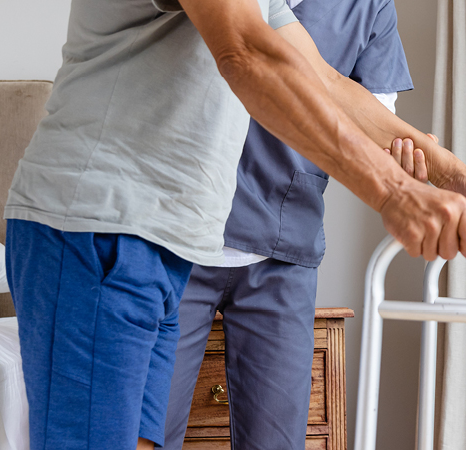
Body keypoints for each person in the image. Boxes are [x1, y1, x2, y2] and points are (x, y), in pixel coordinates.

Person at [3, 1, 466, 450]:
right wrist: (393, 191)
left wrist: (452, 173)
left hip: (162, 242)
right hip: (98, 228)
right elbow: (245, 53)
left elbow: (320, 79)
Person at [158, 1, 428, 448]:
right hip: (180, 237)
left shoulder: (368, 7)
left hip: (284, 248)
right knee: (145, 431)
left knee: (276, 441)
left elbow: (373, 126)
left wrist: (418, 166)